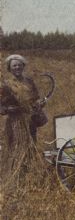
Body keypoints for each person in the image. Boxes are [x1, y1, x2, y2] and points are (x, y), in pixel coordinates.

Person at [0, 55, 45, 183]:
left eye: (19, 65)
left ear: (23, 66)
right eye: (14, 65)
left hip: (30, 121)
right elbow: (1, 107)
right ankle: (15, 178)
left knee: (31, 147)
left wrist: (40, 103)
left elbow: (35, 98)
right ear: (9, 68)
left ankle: (27, 176)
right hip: (16, 123)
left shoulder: (29, 81)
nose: (17, 67)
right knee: (17, 149)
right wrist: (8, 110)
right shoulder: (6, 84)